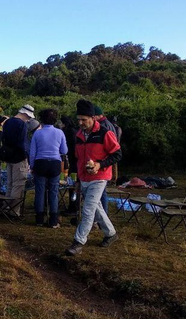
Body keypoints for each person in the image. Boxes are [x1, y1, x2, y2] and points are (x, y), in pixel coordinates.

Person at [65, 99, 122, 256]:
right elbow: (77, 159)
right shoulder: (79, 135)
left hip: (100, 177)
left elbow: (117, 154)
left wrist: (99, 164)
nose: (81, 122)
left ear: (93, 118)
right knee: (96, 207)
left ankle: (78, 242)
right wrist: (77, 180)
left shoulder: (105, 133)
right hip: (84, 177)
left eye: (84, 119)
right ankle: (111, 233)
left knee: (88, 209)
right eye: (79, 119)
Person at [29, 109, 67, 228]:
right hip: (55, 163)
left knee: (39, 191)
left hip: (40, 163)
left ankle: (39, 219)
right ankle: (53, 221)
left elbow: (32, 153)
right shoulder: (59, 132)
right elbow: (64, 151)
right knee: (53, 191)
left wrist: (32, 166)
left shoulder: (37, 133)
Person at [0, 104, 34, 215]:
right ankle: (13, 210)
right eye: (28, 117)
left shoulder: (8, 122)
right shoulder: (21, 125)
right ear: (25, 114)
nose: (28, 120)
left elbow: (4, 138)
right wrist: (26, 157)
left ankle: (6, 207)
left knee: (9, 183)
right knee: (18, 184)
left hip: (8, 156)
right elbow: (21, 143)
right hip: (18, 157)